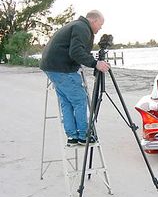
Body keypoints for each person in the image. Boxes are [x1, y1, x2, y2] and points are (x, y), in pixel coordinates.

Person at [40, 10, 111, 146]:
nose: (100, 28)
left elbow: (74, 49)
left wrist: (88, 60)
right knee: (79, 100)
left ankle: (72, 136)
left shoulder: (76, 25)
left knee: (66, 102)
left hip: (51, 66)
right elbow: (76, 52)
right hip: (62, 69)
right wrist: (95, 63)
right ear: (94, 21)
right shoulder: (82, 28)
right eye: (100, 24)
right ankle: (83, 136)